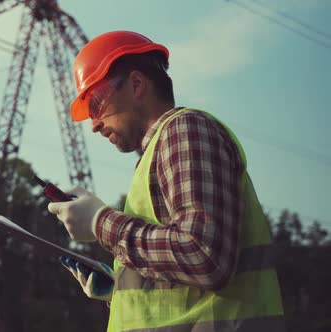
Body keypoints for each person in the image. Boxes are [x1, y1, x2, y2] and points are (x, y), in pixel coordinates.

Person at [47, 30, 285, 332]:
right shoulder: (156, 153)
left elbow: (203, 256)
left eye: (95, 103)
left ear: (136, 85)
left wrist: (100, 223)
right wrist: (121, 286)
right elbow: (187, 274)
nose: (93, 124)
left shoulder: (185, 130)